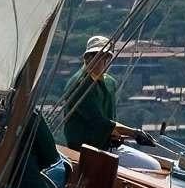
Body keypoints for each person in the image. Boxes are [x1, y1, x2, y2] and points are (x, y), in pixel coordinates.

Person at [61, 35, 158, 170]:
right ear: (87, 58)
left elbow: (110, 120)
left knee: (154, 165)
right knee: (152, 167)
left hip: (107, 145)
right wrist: (134, 133)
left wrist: (119, 134)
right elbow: (100, 122)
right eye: (99, 56)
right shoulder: (80, 85)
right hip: (87, 148)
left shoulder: (109, 82)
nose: (104, 61)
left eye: (107, 57)